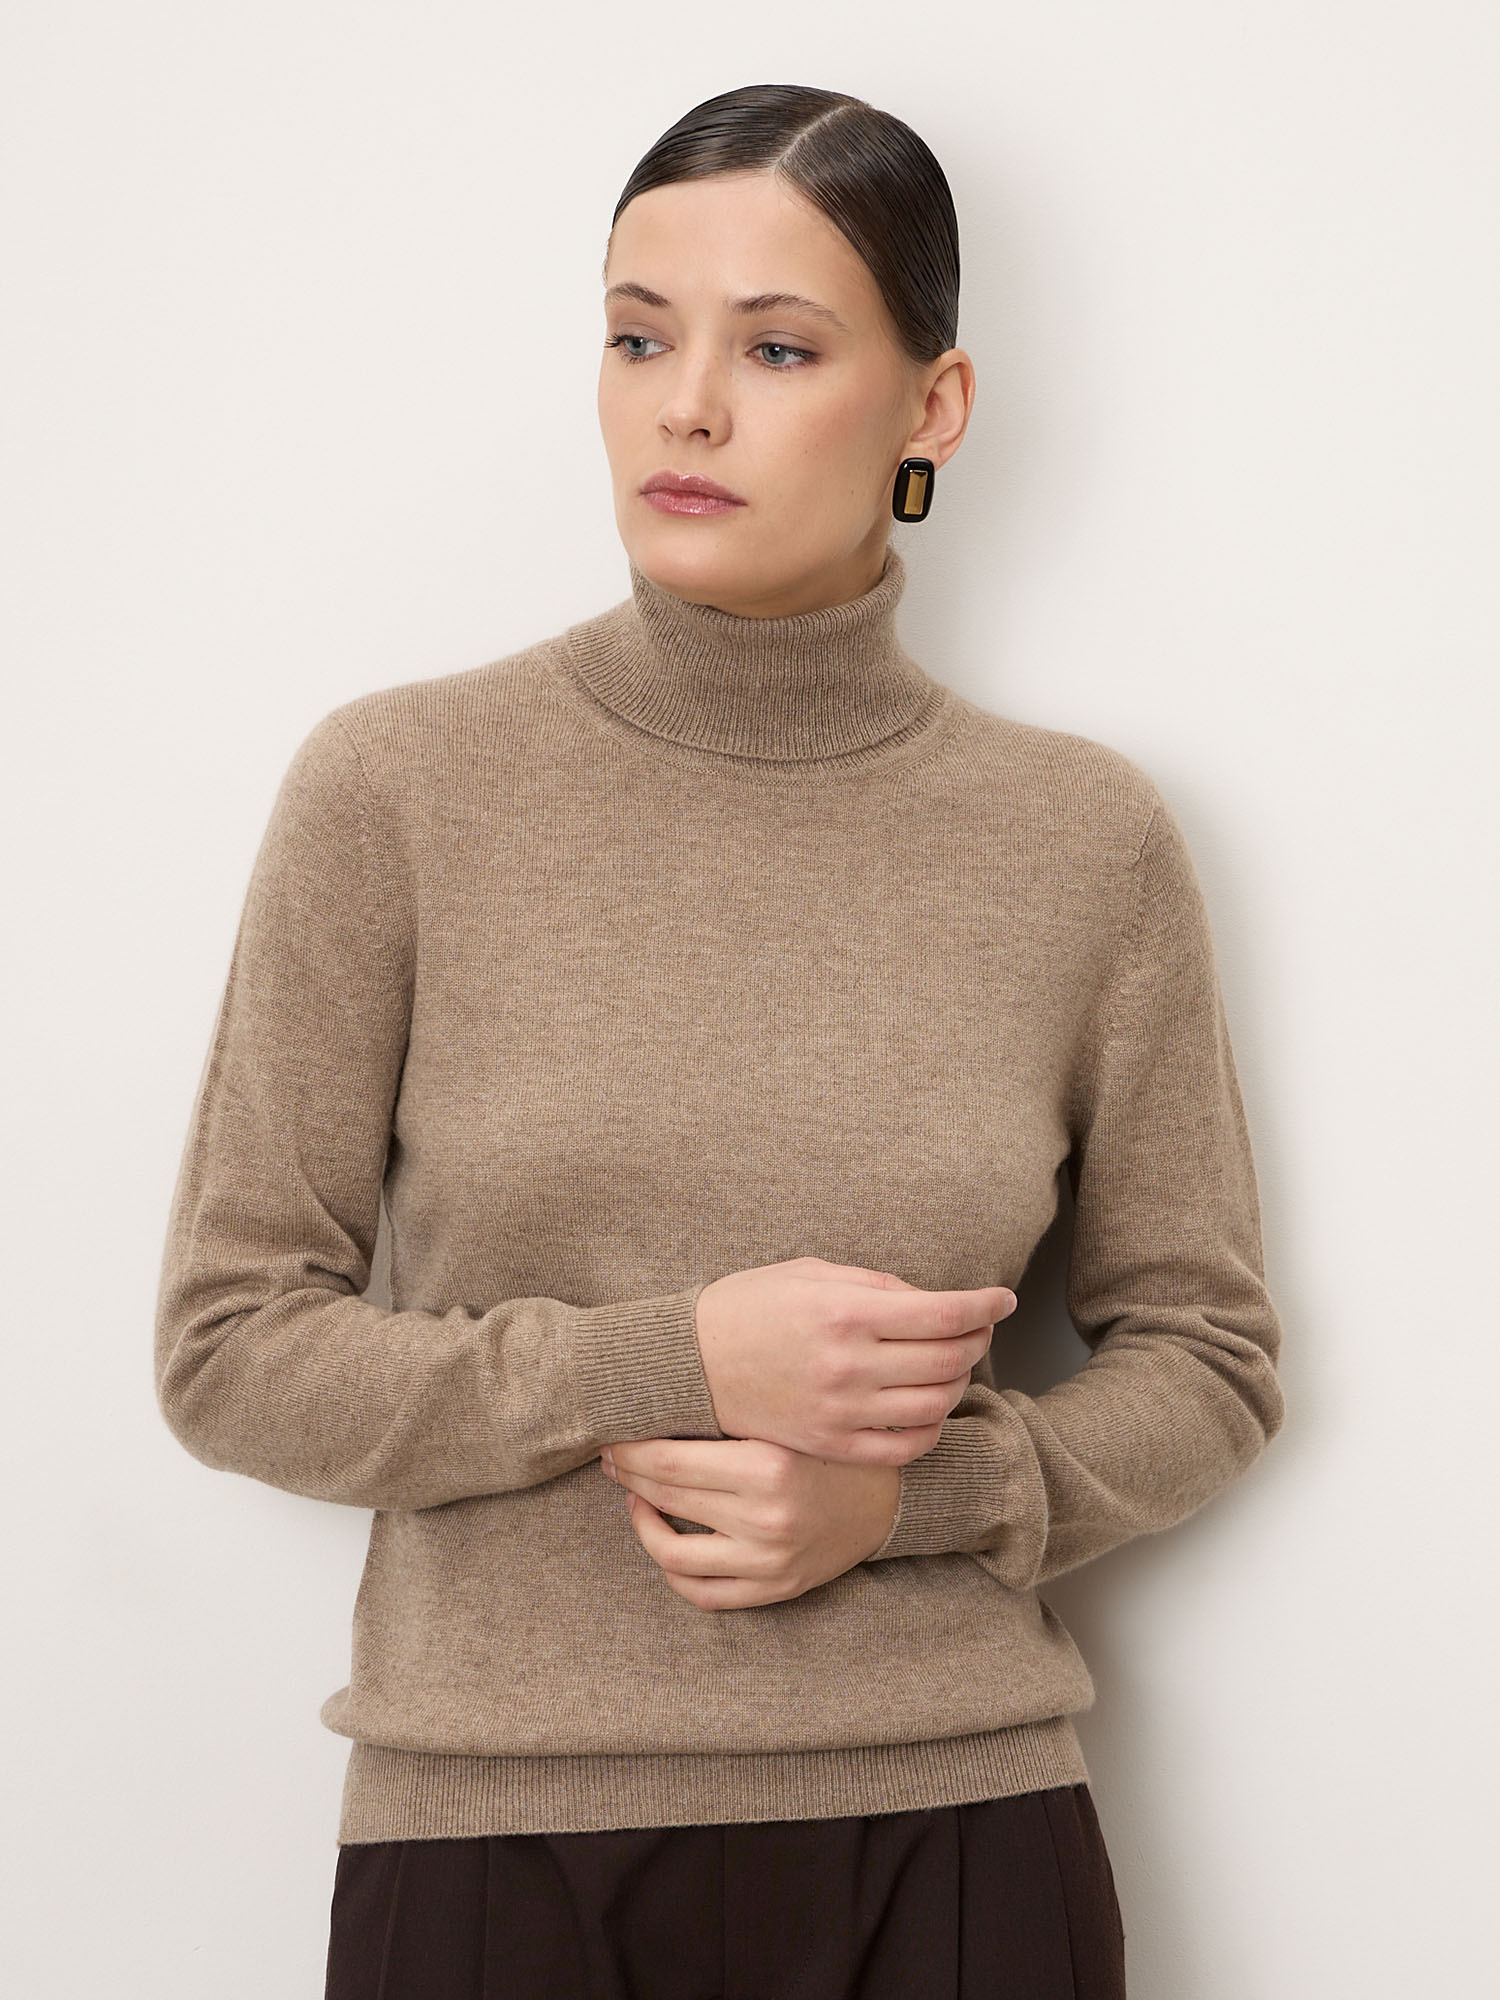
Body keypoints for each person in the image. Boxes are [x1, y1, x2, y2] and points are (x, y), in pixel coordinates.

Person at [153, 82, 1286, 2000]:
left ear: (933, 406)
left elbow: (1210, 1360)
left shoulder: (1081, 839)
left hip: (954, 1844)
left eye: (777, 347)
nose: (685, 407)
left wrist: (914, 1503)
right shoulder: (399, 790)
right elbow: (230, 1353)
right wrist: (672, 1356)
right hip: (497, 1849)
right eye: (636, 337)